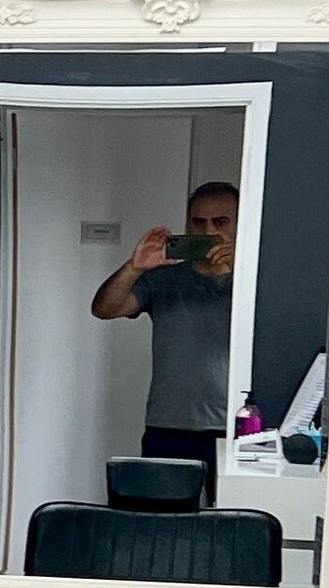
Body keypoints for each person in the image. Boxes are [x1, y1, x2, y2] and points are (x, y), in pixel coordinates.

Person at [92, 179, 243, 488]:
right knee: (162, 527)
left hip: (238, 428)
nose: (208, 231)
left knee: (232, 527)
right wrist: (134, 267)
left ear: (242, 225)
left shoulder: (256, 277)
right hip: (169, 427)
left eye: (221, 222)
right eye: (198, 222)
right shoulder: (164, 277)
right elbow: (104, 309)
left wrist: (242, 268)